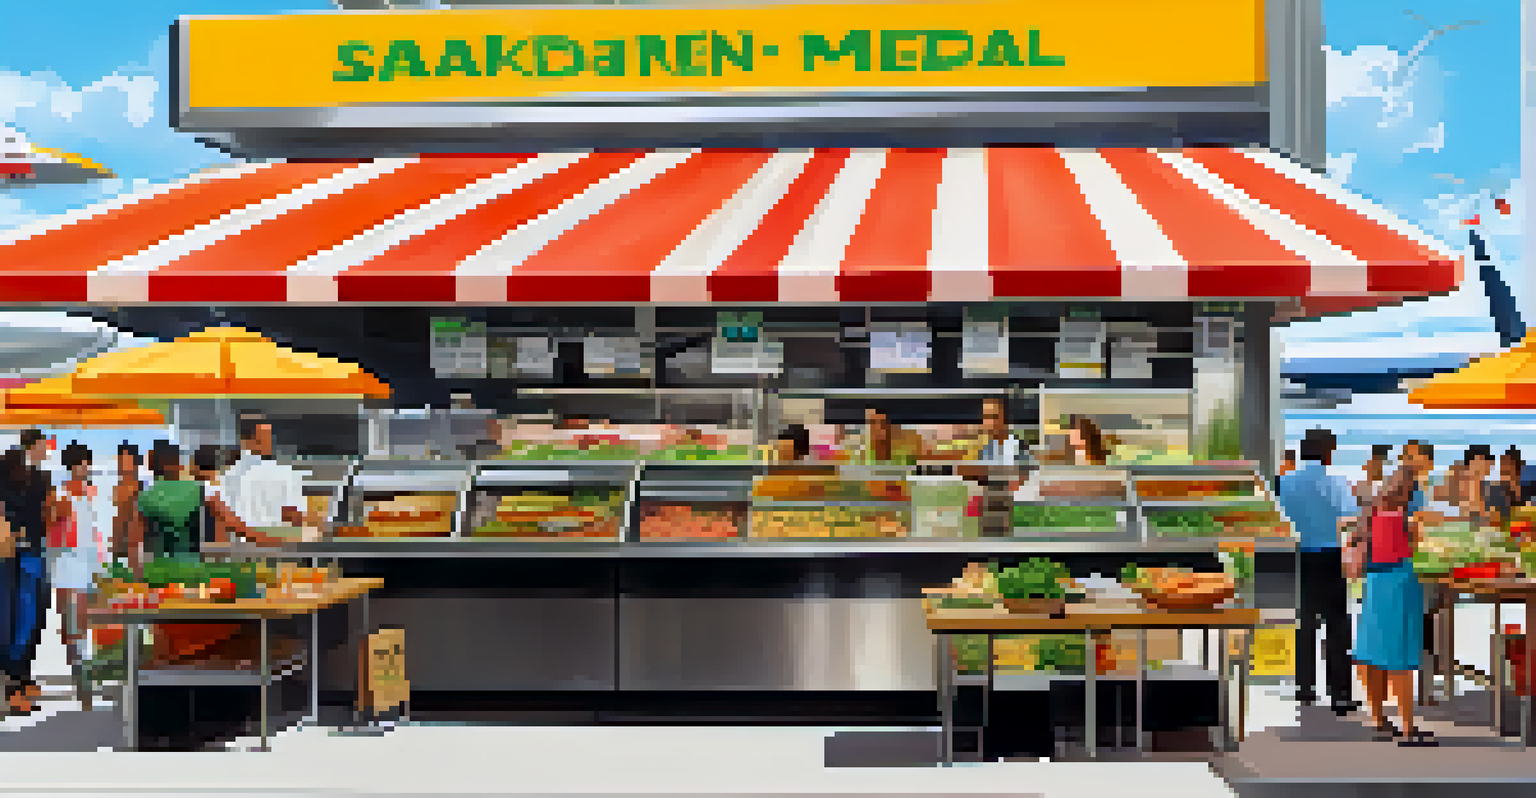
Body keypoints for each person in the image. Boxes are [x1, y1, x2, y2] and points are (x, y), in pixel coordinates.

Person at [1353, 460, 1435, 746]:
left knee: (1371, 652)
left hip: (1375, 584)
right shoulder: (1405, 518)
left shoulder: (1371, 510)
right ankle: (1408, 728)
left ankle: (1377, 719)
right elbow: (1420, 547)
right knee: (1400, 656)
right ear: (1409, 490)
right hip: (1401, 583)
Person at [1278, 428, 1360, 714]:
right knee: (1337, 626)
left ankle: (1305, 688)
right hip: (1330, 558)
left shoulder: (1284, 483)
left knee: (1304, 623)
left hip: (1298, 558)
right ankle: (1339, 694)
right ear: (1329, 451)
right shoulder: (1337, 482)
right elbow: (1350, 520)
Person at [0, 430, 54, 714]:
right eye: (45, 445)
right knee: (24, 620)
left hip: (15, 553)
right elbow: (45, 516)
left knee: (19, 619)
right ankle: (16, 685)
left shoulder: (30, 476)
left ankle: (19, 681)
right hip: (23, 554)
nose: (47, 450)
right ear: (34, 446)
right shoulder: (38, 479)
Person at [50, 443, 103, 709]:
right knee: (73, 626)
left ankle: (86, 680)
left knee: (86, 623)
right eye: (83, 462)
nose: (87, 467)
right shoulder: (61, 494)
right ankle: (81, 681)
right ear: (73, 465)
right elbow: (50, 527)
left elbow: (96, 529)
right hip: (67, 564)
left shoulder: (91, 492)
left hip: (89, 564)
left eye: (88, 462)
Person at [221, 415, 307, 534]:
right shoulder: (284, 473)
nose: (270, 442)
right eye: (267, 437)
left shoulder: (224, 476)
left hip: (237, 546)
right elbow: (294, 517)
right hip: (273, 543)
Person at [111, 443, 145, 567]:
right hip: (116, 550)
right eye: (119, 461)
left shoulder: (141, 489)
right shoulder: (114, 489)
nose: (120, 466)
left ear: (135, 464)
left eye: (124, 461)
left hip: (135, 551)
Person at [858, 407, 927, 465]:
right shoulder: (863, 451)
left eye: (882, 423)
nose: (878, 427)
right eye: (873, 423)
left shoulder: (909, 443)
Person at [1489, 446, 1526, 527]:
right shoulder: (1494, 491)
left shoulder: (1527, 490)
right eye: (1502, 469)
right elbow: (1492, 519)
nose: (1502, 474)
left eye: (1506, 471)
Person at [978, 397, 1022, 464]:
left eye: (995, 417)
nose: (991, 422)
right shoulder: (982, 447)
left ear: (1005, 418)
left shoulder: (1018, 446)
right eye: (986, 417)